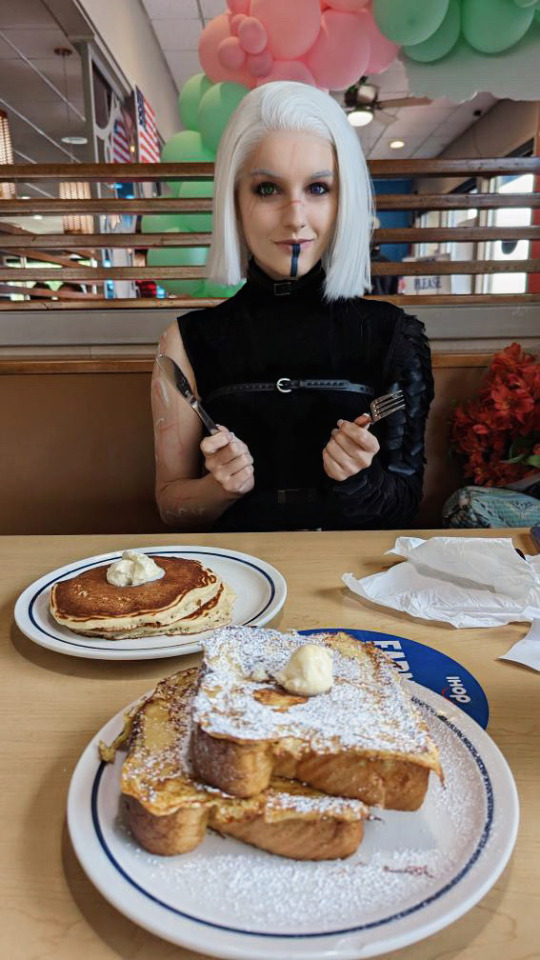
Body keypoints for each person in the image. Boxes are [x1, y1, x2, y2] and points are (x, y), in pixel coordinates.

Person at [152, 82, 433, 532]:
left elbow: (405, 506)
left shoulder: (394, 335)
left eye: (318, 187)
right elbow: (170, 505)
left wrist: (360, 481)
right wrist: (217, 489)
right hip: (233, 585)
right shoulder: (185, 341)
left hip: (349, 585)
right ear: (235, 202)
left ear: (344, 202)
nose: (296, 217)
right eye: (267, 189)